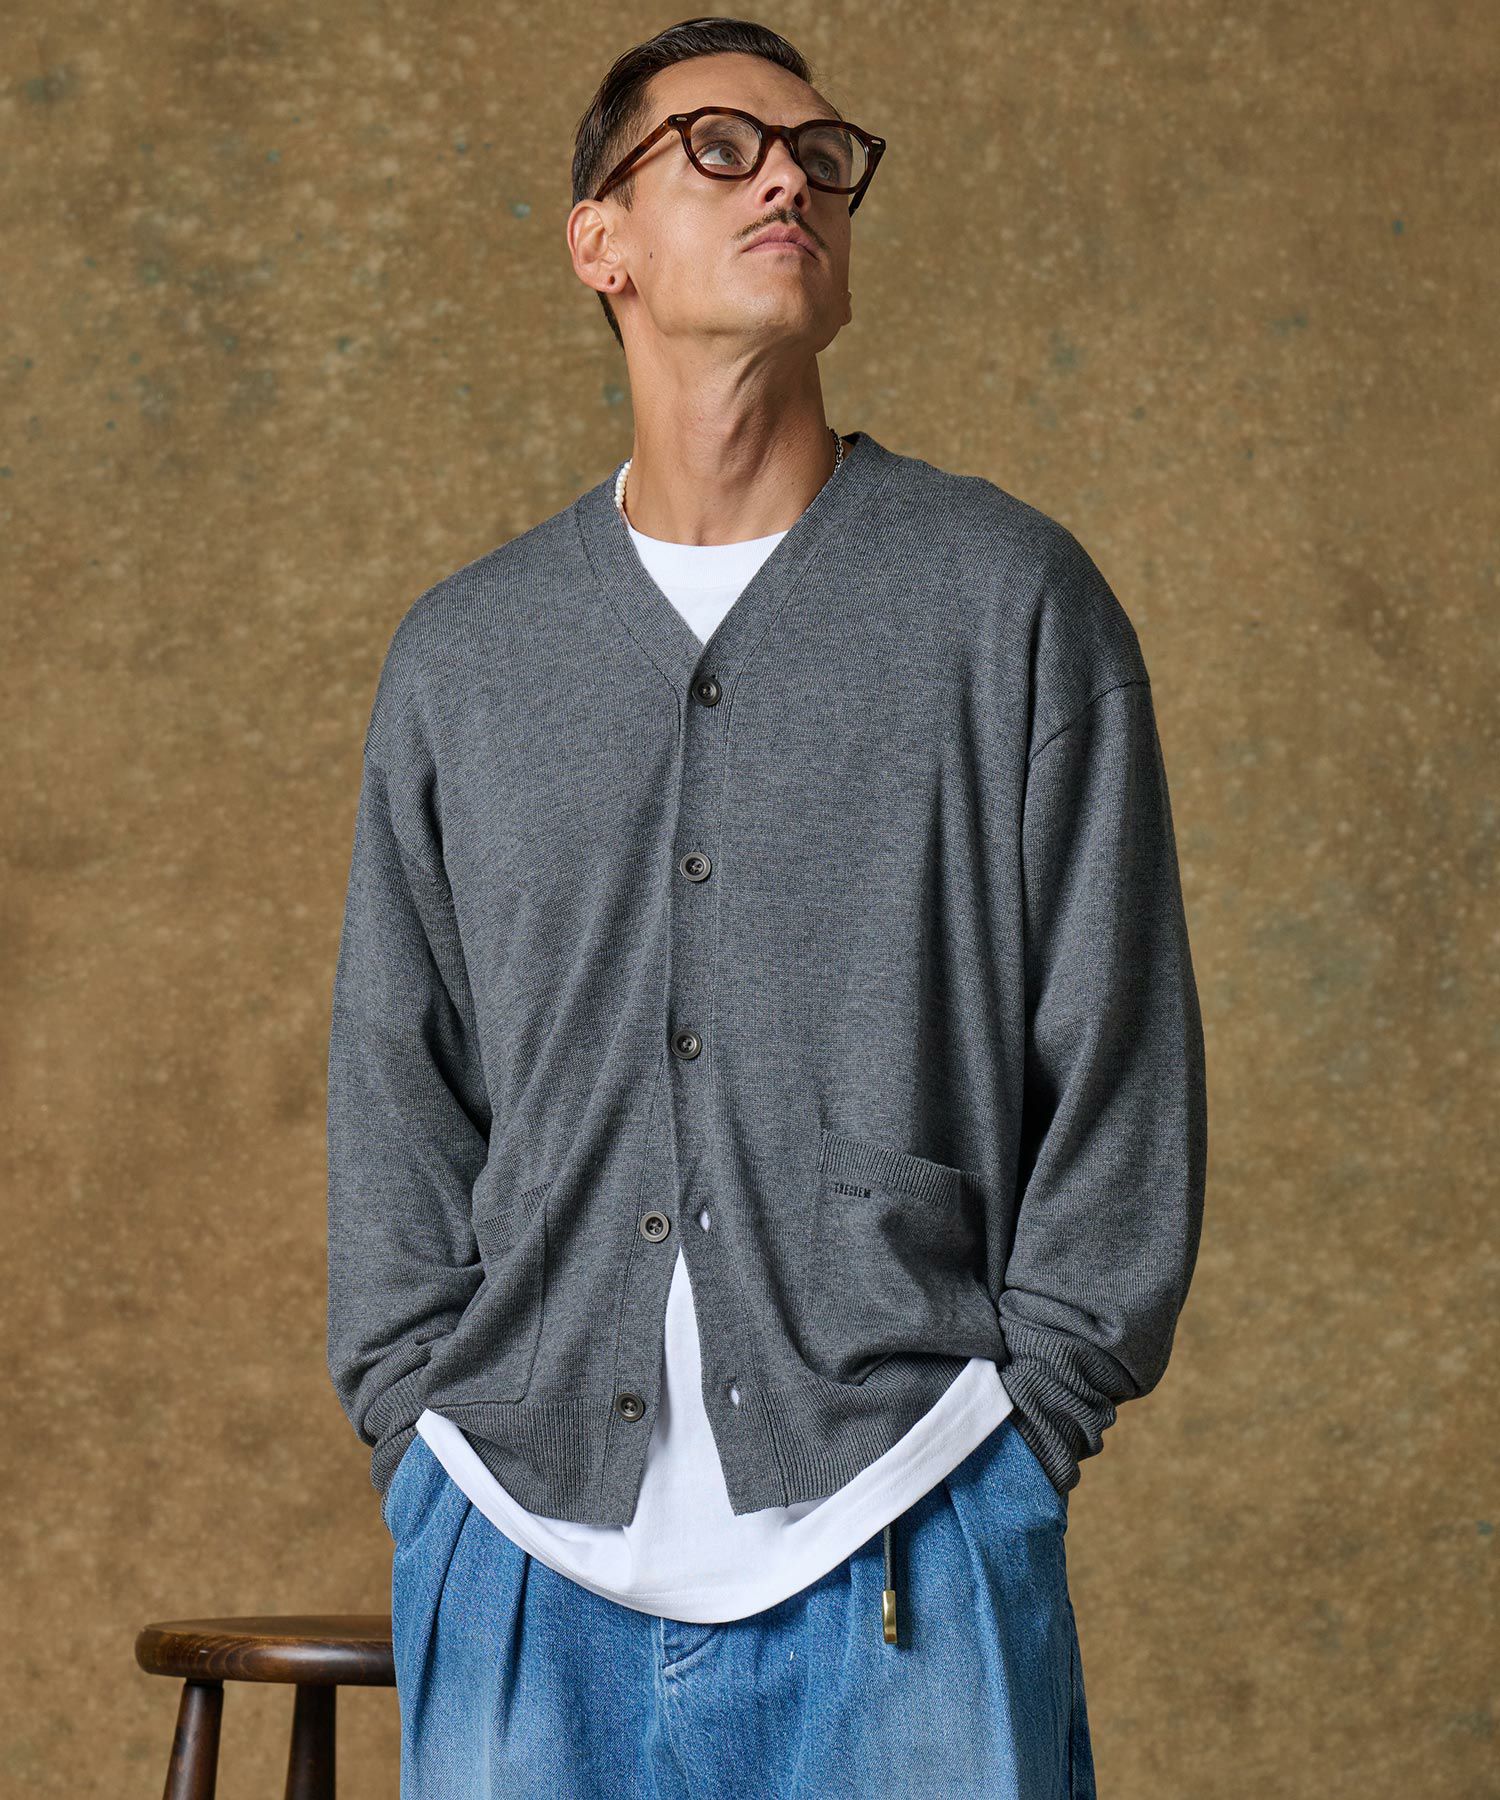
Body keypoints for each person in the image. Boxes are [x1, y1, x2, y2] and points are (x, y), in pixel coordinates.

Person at [326, 17, 1208, 1797]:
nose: (790, 177)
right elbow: (396, 1074)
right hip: (517, 1546)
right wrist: (419, 1432)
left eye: (821, 155)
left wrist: (1024, 1426)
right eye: (719, 148)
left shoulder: (1006, 603)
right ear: (601, 240)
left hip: (913, 1529)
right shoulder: (469, 659)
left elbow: (1120, 1053)